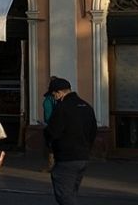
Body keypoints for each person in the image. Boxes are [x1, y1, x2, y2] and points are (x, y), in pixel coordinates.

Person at [44, 77, 97, 205]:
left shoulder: (62, 107)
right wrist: (86, 148)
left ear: (59, 93)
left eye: (54, 95)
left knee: (65, 195)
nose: (54, 98)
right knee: (72, 192)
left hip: (66, 157)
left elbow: (53, 132)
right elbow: (93, 131)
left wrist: (49, 141)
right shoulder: (86, 106)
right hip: (83, 157)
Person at [42, 76, 58, 172]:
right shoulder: (61, 98)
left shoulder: (49, 99)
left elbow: (48, 116)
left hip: (52, 126)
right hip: (59, 126)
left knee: (51, 146)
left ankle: (51, 166)